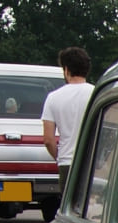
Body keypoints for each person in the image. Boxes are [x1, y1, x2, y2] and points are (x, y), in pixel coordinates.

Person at [41, 46, 92, 192]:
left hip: (67, 162)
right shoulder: (96, 94)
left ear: (66, 69)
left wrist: (59, 157)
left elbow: (48, 140)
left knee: (69, 208)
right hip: (91, 162)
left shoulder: (53, 98)